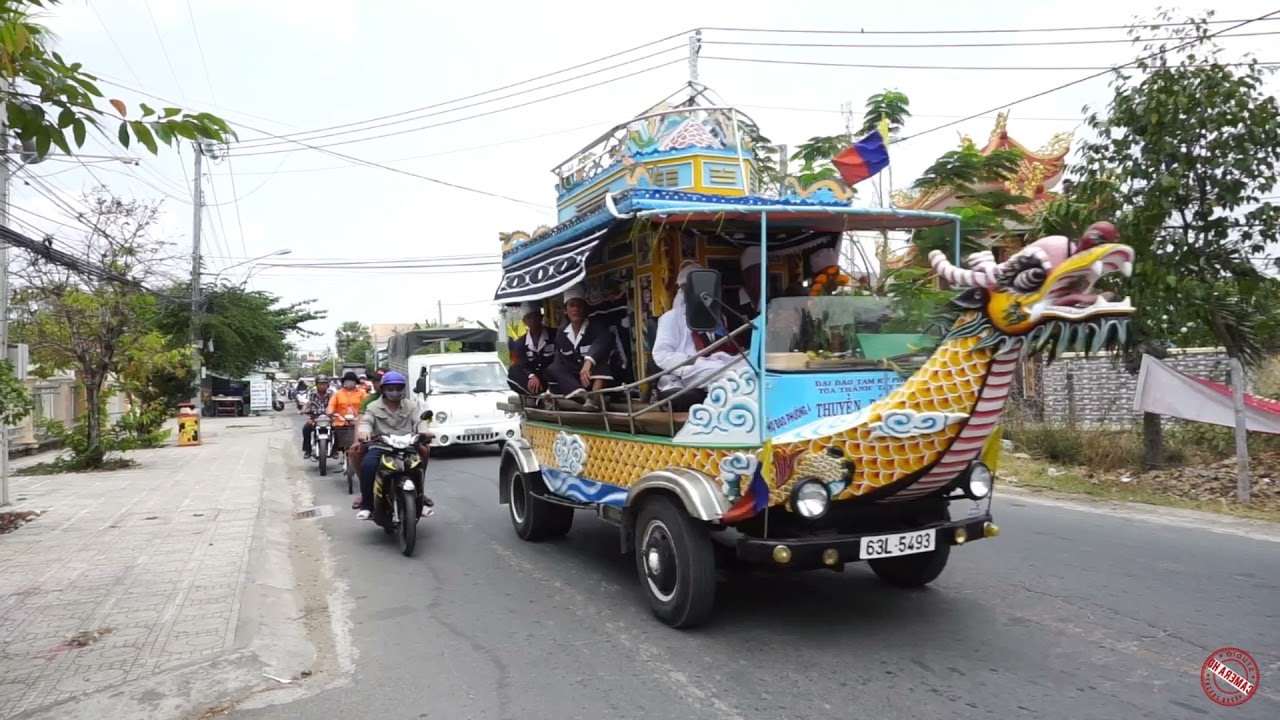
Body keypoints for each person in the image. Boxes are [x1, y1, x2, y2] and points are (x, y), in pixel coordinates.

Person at [652, 261, 746, 411]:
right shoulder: (671, 318)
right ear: (684, 289)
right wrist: (693, 361)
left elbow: (727, 346)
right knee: (725, 374)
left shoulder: (717, 315)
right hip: (690, 369)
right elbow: (661, 354)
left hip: (721, 361)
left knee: (749, 368)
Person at [354, 372, 433, 521]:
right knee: (368, 465)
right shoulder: (373, 407)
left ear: (403, 389)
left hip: (407, 445)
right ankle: (367, 505)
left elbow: (419, 421)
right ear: (383, 390)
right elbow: (366, 422)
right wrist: (364, 433)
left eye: (398, 388)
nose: (394, 392)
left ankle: (420, 501)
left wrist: (425, 432)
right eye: (390, 389)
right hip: (381, 446)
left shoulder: (410, 405)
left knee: (420, 461)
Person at [544, 283, 614, 400]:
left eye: (579, 305)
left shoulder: (595, 326)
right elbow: (559, 359)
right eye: (572, 305)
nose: (576, 309)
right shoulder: (561, 332)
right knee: (554, 367)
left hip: (592, 377)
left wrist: (589, 361)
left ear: (585, 308)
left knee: (600, 362)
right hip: (573, 381)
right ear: (565, 310)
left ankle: (594, 399)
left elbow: (602, 340)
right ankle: (580, 395)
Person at [507, 301, 557, 395]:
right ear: (524, 321)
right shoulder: (521, 343)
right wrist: (531, 376)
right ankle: (537, 396)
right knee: (513, 371)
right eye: (529, 318)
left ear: (541, 317)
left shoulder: (554, 335)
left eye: (535, 316)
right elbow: (521, 364)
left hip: (551, 377)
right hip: (533, 380)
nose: (533, 321)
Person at [328, 371, 368, 455]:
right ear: (344, 382)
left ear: (355, 382)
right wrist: (330, 412)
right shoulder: (338, 393)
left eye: (351, 381)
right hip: (341, 420)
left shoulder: (362, 393)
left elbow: (367, 404)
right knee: (334, 432)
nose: (349, 382)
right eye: (347, 380)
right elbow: (332, 404)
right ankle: (335, 450)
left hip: (357, 420)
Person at [300, 374, 334, 459]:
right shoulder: (312, 393)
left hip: (329, 418)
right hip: (314, 418)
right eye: (320, 384)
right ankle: (307, 450)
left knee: (337, 429)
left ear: (328, 384)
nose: (322, 386)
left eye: (324, 383)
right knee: (306, 428)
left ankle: (335, 450)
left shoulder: (331, 393)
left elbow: (336, 404)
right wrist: (304, 410)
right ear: (316, 384)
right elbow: (307, 403)